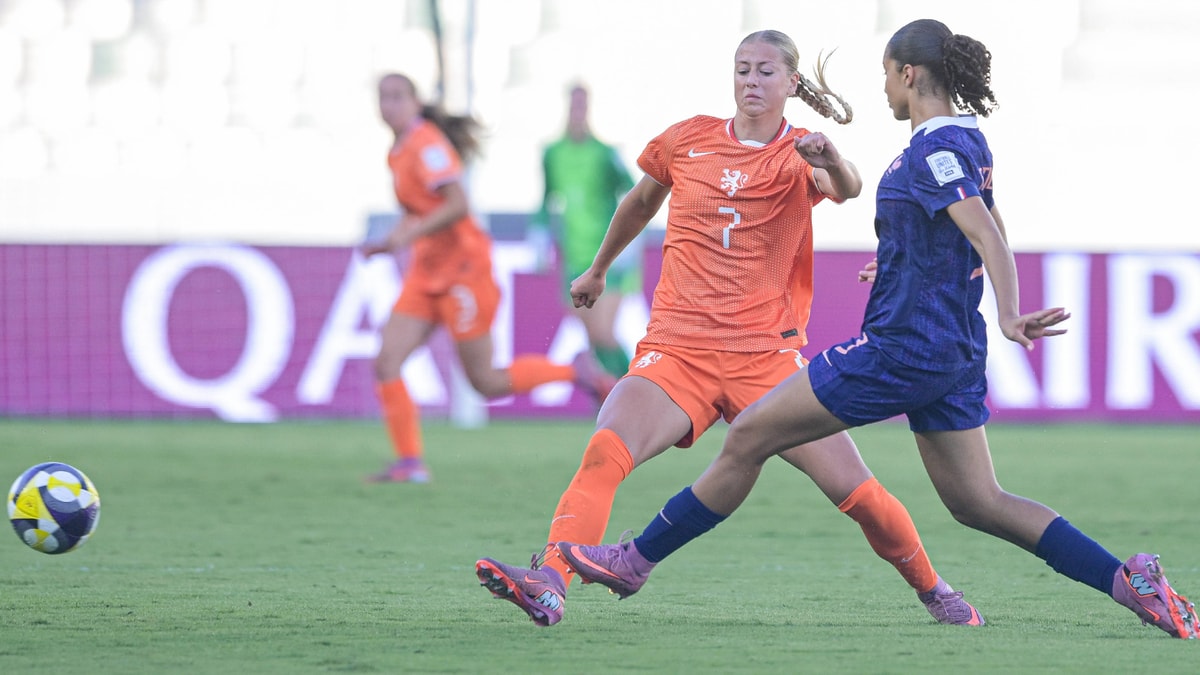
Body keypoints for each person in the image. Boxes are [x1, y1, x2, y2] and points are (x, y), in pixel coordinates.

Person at [555, 19, 1198, 639]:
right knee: (979, 501)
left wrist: (1009, 310)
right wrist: (904, 257)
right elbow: (972, 229)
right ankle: (1127, 580)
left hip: (899, 349)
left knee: (747, 436)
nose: (884, 88)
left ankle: (632, 561)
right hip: (951, 352)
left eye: (888, 76)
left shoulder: (933, 149)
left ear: (909, 74)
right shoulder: (970, 141)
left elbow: (984, 233)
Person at [476, 30, 984, 629]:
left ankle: (935, 590)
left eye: (766, 71)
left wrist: (833, 162)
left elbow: (846, 188)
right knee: (603, 453)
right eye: (742, 69)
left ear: (791, 83)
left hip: (765, 363)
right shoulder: (686, 139)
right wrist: (597, 268)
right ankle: (550, 582)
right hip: (676, 351)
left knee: (857, 492)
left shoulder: (802, 150)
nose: (751, 81)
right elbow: (640, 203)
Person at [364, 73, 615, 483]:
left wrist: (407, 235)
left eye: (396, 97)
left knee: (486, 382)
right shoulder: (397, 150)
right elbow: (418, 210)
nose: (388, 105)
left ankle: (577, 374)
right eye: (382, 97)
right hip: (426, 273)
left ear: (414, 102)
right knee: (386, 362)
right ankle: (410, 462)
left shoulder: (427, 144)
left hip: (465, 271)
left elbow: (457, 204)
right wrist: (390, 241)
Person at [530, 84, 637, 378]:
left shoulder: (604, 154)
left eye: (582, 104)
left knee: (604, 334)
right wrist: (539, 236)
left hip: (607, 257)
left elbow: (634, 193)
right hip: (574, 258)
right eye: (574, 104)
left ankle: (639, 389)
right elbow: (546, 199)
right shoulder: (553, 154)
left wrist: (631, 241)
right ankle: (610, 404)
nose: (578, 111)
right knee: (593, 341)